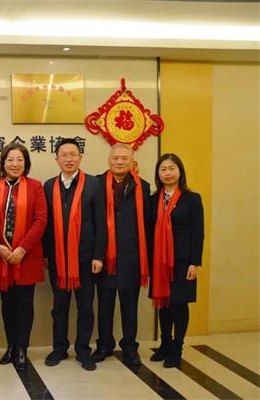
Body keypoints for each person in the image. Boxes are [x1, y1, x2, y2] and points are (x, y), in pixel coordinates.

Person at [42, 137, 106, 371]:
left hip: (86, 259)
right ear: (56, 159)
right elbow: (46, 224)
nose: (68, 159)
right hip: (58, 258)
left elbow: (101, 223)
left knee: (85, 307)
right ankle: (59, 347)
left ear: (80, 157)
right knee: (59, 306)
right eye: (64, 155)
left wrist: (99, 255)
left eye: (73, 155)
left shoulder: (94, 184)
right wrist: (46, 254)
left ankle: (83, 350)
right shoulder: (49, 186)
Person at [93, 143, 150, 367]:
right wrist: (97, 254)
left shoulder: (142, 187)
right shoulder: (97, 184)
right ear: (109, 160)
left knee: (130, 307)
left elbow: (147, 224)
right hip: (104, 257)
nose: (119, 162)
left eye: (124, 158)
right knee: (104, 306)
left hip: (131, 257)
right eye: (115, 158)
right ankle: (104, 345)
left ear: (132, 162)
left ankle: (129, 347)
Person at [0, 143, 47, 371]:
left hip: (27, 256)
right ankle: (11, 347)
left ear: (26, 164)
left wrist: (22, 249)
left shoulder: (36, 187)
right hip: (2, 257)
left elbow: (41, 220)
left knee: (25, 305)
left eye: (19, 160)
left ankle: (22, 349)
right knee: (7, 305)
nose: (15, 164)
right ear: (3, 163)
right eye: (10, 160)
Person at [149, 153, 204, 368]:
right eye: (163, 169)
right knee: (163, 304)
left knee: (178, 304)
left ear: (180, 172)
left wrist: (194, 262)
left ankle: (177, 347)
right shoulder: (153, 199)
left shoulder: (192, 199)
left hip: (182, 261)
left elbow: (198, 233)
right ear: (158, 173)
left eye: (172, 168)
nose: (168, 173)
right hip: (159, 261)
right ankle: (165, 344)